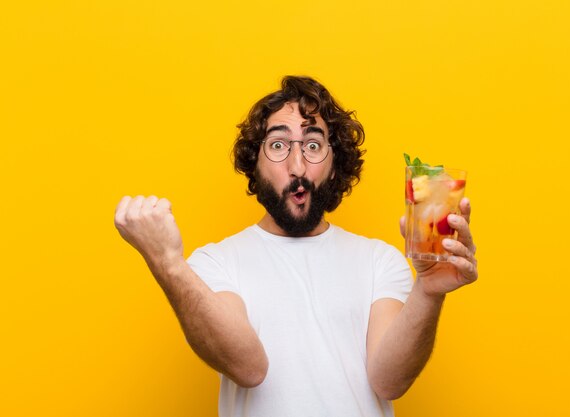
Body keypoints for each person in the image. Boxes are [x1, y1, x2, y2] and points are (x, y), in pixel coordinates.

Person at [114, 75, 478, 417]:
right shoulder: (215, 263)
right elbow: (248, 367)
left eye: (313, 145)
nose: (297, 163)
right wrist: (168, 263)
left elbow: (389, 380)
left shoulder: (379, 260)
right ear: (254, 165)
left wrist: (429, 292)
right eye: (277, 145)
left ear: (335, 165)